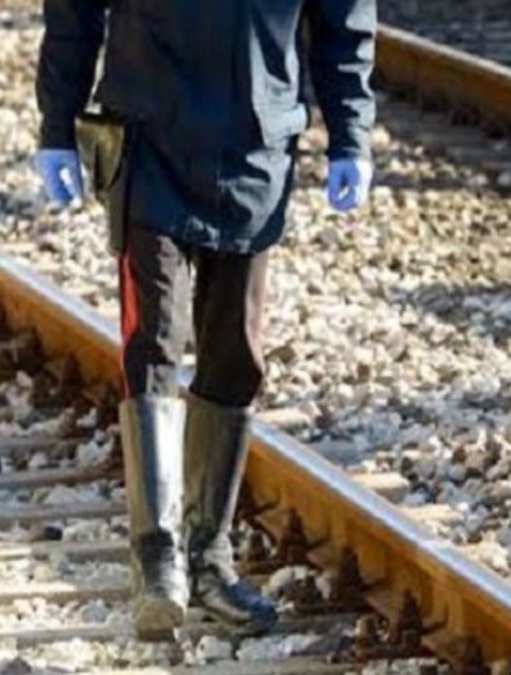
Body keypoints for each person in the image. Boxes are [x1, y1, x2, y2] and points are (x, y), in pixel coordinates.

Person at [33, 0, 376, 639]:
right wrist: (57, 126)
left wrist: (351, 134)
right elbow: (74, 10)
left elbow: (344, 18)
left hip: (256, 149)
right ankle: (158, 559)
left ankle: (208, 560)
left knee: (236, 355)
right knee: (154, 341)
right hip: (148, 138)